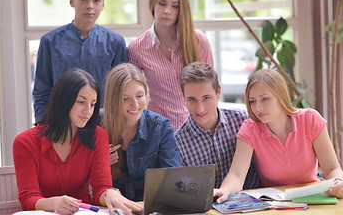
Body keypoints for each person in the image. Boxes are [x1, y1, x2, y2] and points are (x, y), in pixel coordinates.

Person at [13, 69, 143, 215]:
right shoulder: (25, 142)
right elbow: (28, 199)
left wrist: (109, 194)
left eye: (93, 104)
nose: (88, 111)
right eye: (81, 102)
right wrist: (55, 203)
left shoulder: (98, 136)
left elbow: (101, 187)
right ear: (62, 101)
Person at [214, 68, 343, 203]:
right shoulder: (250, 129)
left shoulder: (310, 119)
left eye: (265, 99)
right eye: (252, 101)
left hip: (313, 199)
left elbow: (332, 169)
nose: (258, 107)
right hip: (275, 204)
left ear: (280, 96)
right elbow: (236, 175)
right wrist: (225, 190)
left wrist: (338, 183)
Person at [33, 0, 127, 123]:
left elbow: (121, 93)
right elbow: (42, 91)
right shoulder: (50, 42)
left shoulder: (116, 43)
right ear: (72, 1)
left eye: (96, 0)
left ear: (103, 3)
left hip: (103, 127)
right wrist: (42, 126)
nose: (90, 5)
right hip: (60, 126)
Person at [128, 0, 214, 130]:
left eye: (175, 6)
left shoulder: (199, 41)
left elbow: (210, 91)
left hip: (196, 129)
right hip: (158, 131)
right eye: (162, 3)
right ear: (153, 4)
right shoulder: (137, 48)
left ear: (181, 10)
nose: (167, 11)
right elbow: (133, 96)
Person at [174, 62, 261, 190]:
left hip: (255, 201)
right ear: (183, 98)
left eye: (206, 98)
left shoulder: (243, 120)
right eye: (192, 99)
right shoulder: (177, 143)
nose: (200, 108)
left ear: (218, 92)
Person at [102, 63, 182, 202]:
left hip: (150, 205)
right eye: (125, 99)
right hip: (109, 205)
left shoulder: (160, 127)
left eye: (139, 96)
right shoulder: (97, 126)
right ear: (113, 100)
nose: (135, 105)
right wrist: (100, 164)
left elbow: (173, 177)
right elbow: (79, 181)